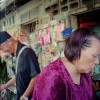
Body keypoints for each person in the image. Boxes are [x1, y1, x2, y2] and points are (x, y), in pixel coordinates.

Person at [31, 27, 100, 100]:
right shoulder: (51, 78)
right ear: (77, 49)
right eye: (94, 56)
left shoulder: (84, 73)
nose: (97, 62)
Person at [0, 31, 40, 100]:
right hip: (20, 95)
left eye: (1, 48)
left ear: (9, 42)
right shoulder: (17, 54)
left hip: (30, 97)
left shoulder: (27, 53)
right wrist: (5, 86)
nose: (3, 51)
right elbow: (18, 75)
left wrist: (25, 96)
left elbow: (36, 77)